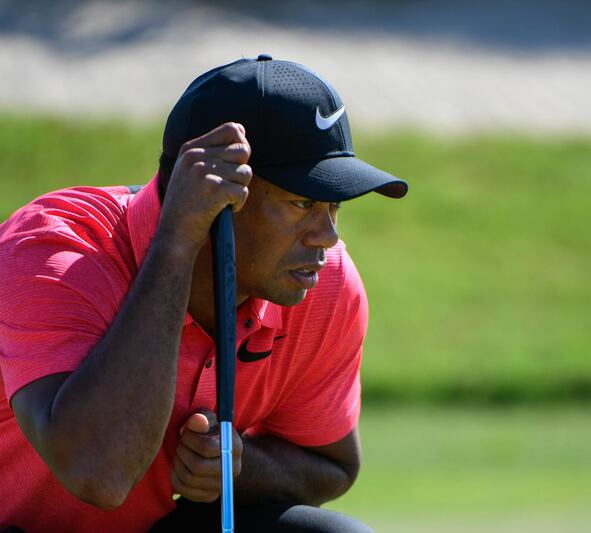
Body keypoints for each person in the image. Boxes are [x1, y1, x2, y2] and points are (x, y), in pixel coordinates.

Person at [0, 54, 407, 532]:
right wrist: (177, 241)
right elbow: (98, 474)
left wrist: (240, 466)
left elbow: (333, 467)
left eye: (333, 205)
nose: (328, 237)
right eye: (302, 202)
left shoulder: (322, 282)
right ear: (211, 197)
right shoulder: (49, 252)